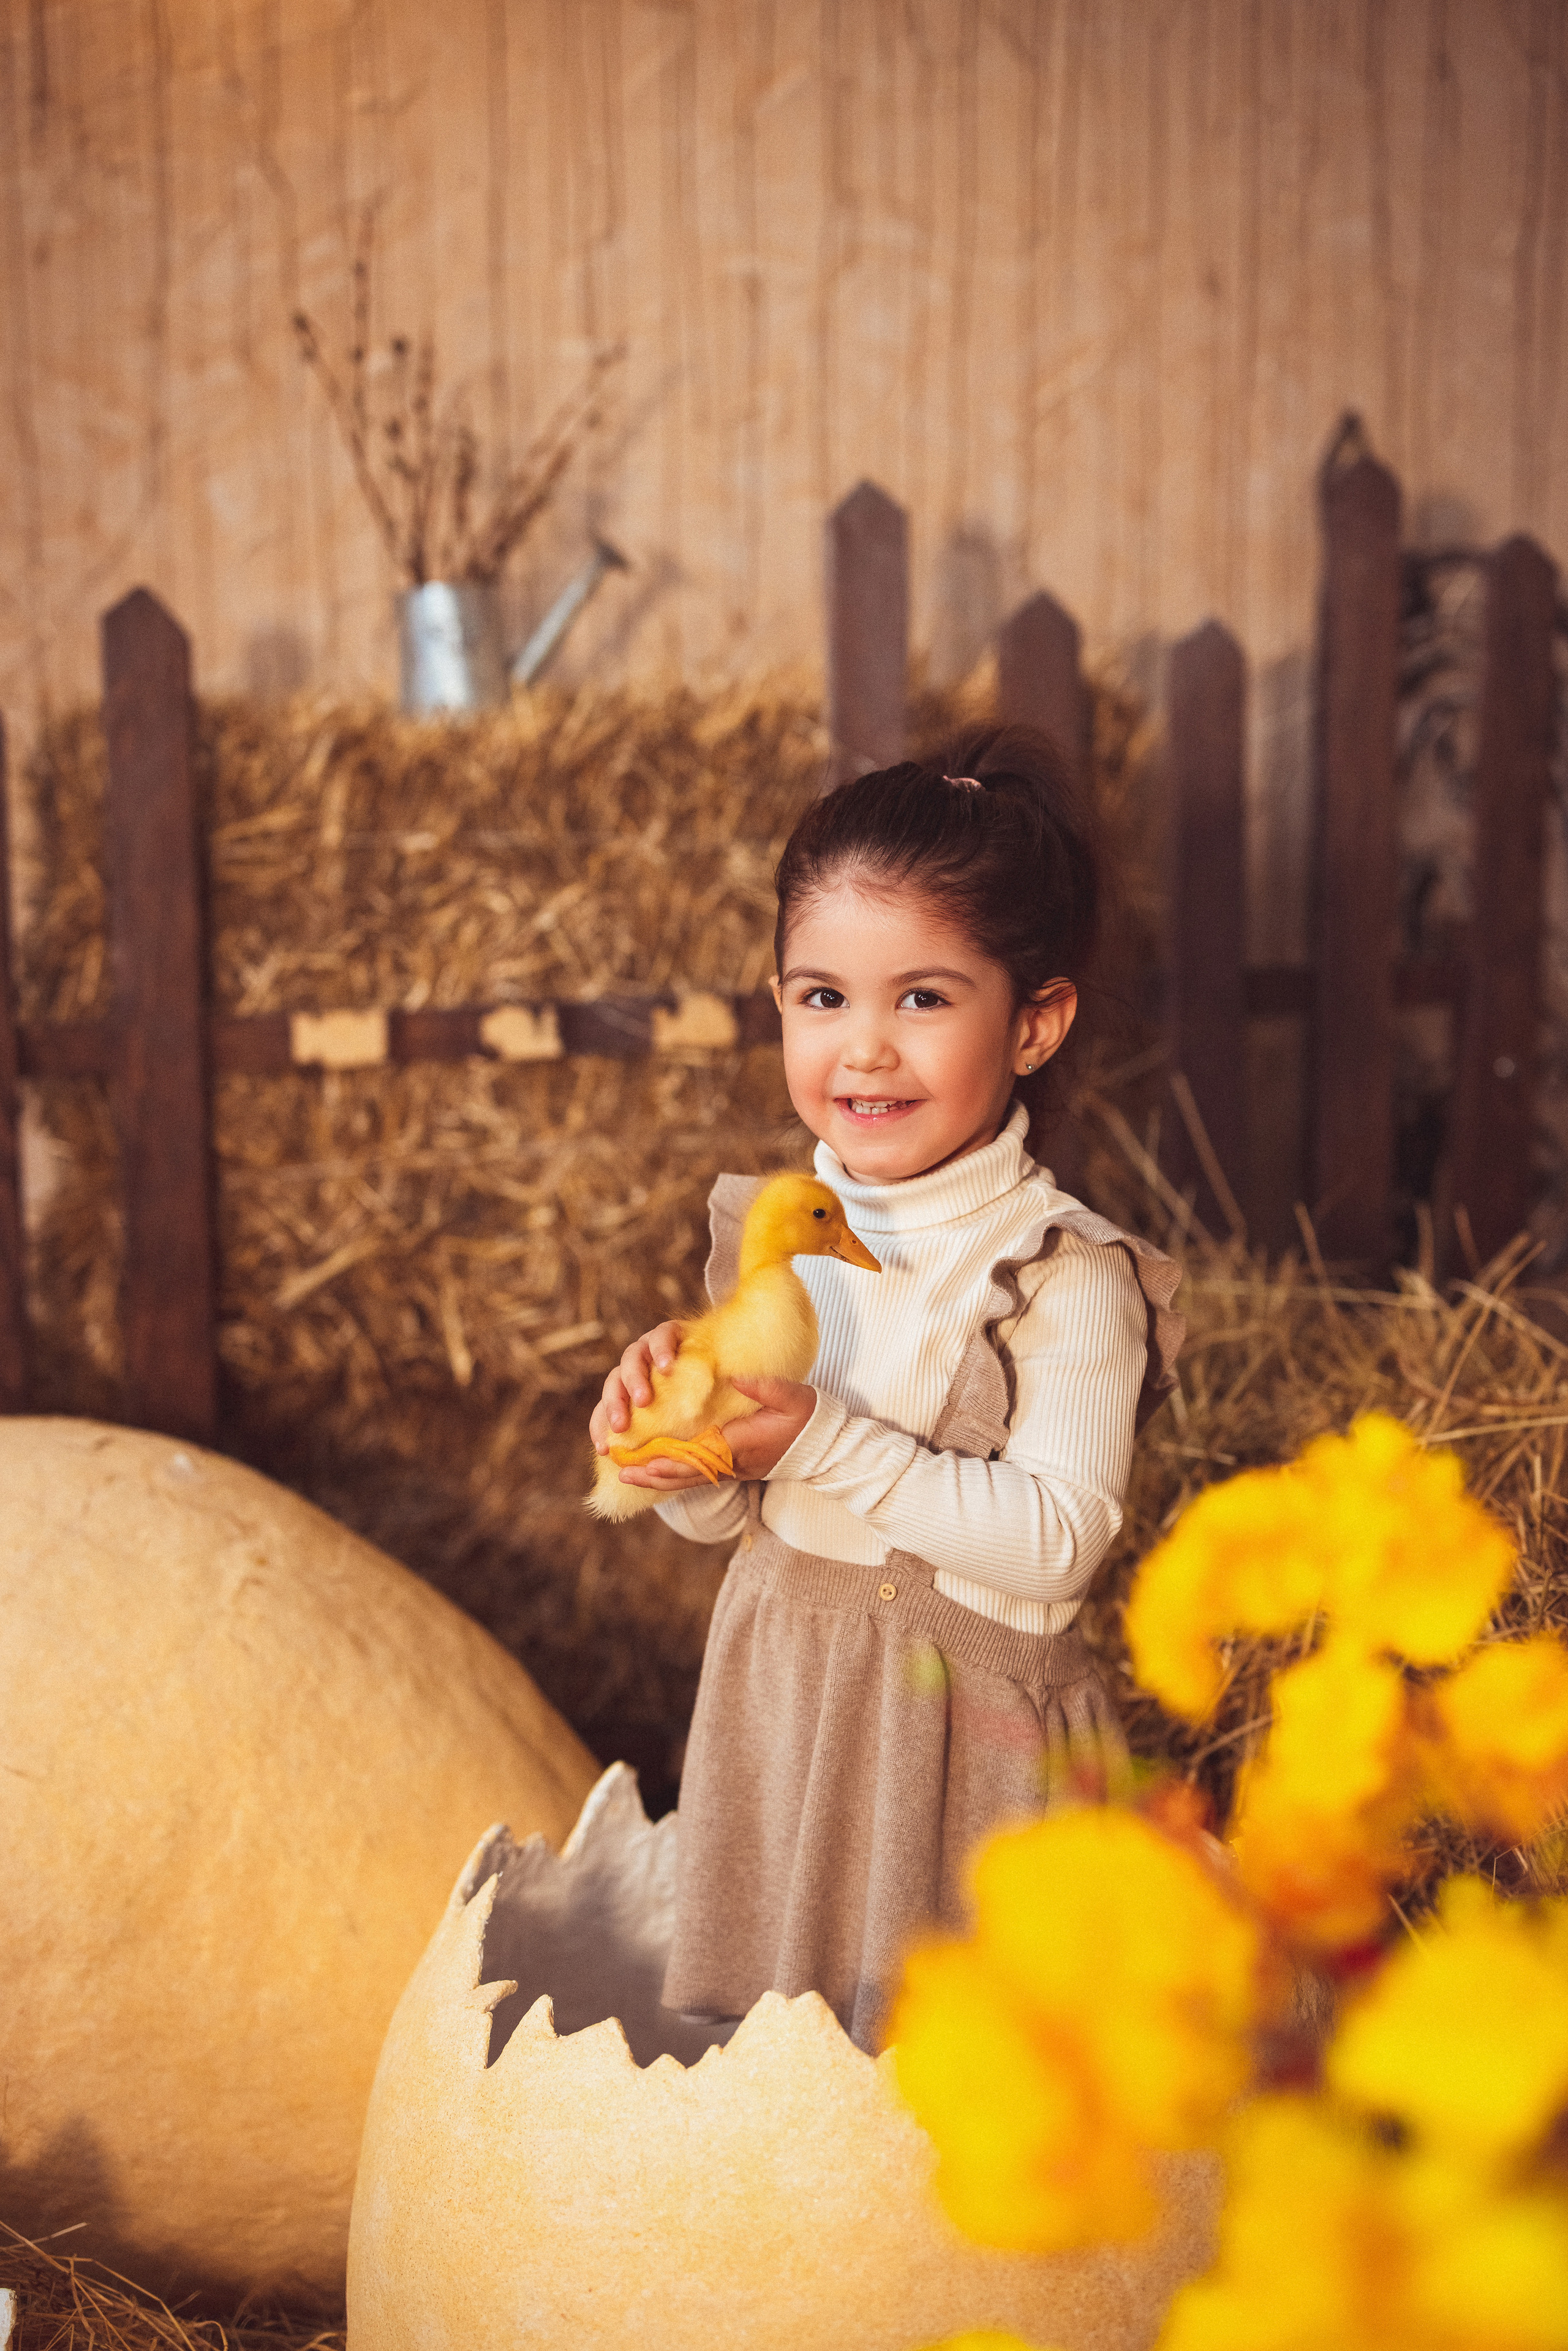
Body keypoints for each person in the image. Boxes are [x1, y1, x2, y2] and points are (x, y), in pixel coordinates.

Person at [589, 726, 1183, 2051]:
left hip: (958, 1748)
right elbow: (731, 1507)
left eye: (920, 999)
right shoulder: (776, 1236)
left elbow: (1056, 1546)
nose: (862, 1050)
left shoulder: (1059, 1270)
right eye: (821, 998)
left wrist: (819, 1439)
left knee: (949, 2119)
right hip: (782, 1704)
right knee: (784, 2105)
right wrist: (664, 1450)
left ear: (1032, 1021)